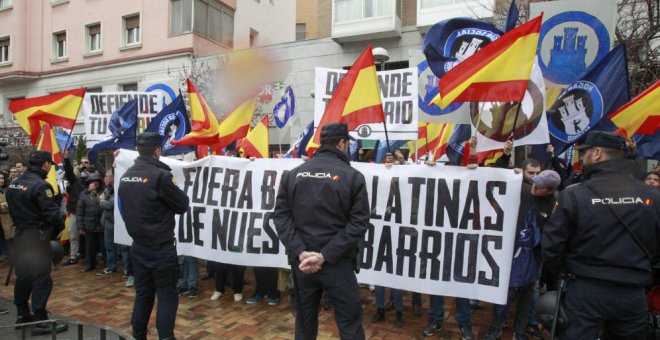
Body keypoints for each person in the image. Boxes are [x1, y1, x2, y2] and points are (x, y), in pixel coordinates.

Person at [542, 131, 660, 339]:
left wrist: (566, 272)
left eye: (584, 152)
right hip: (632, 292)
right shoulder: (652, 197)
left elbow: (552, 246)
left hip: (586, 290)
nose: (582, 157)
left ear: (597, 154)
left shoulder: (575, 194)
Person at [274, 122, 369, 340]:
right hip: (337, 264)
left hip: (303, 265)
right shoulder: (353, 177)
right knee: (350, 325)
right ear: (342, 143)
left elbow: (280, 216)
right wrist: (325, 256)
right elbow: (359, 223)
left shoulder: (292, 175)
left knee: (305, 324)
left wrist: (301, 252)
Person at [118, 132, 190, 340]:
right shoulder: (160, 176)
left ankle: (138, 334)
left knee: (143, 295)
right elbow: (182, 204)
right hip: (161, 247)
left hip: (138, 247)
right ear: (157, 150)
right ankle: (166, 337)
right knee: (167, 295)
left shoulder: (126, 176)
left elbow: (124, 209)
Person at [6, 151, 68, 335]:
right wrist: (55, 230)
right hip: (36, 236)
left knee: (23, 275)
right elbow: (54, 216)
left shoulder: (14, 184)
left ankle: (22, 314)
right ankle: (40, 320)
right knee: (42, 278)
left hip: (20, 235)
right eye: (49, 163)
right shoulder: (41, 186)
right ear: (45, 165)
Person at [77, 174, 105, 273]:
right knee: (90, 247)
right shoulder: (83, 195)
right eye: (92, 181)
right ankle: (90, 264)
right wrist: (80, 226)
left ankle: (107, 264)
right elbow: (79, 211)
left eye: (96, 181)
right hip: (89, 225)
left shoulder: (103, 192)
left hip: (101, 224)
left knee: (103, 246)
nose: (94, 183)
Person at [99, 170, 117, 275]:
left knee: (123, 248)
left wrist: (102, 201)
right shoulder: (108, 188)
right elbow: (103, 197)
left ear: (112, 178)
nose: (105, 178)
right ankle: (111, 266)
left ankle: (128, 270)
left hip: (115, 221)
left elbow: (110, 204)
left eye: (107, 177)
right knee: (109, 245)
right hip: (107, 221)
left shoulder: (117, 188)